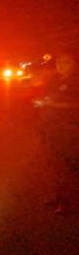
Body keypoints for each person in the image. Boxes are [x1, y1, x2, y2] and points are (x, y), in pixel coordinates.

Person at [34, 52, 79, 213]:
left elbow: (74, 105)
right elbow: (51, 98)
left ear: (74, 64)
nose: (61, 66)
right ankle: (57, 197)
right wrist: (44, 103)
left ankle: (67, 203)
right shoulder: (56, 81)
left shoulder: (75, 82)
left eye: (66, 62)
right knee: (53, 165)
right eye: (59, 63)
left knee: (66, 167)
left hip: (68, 129)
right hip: (51, 127)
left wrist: (54, 104)